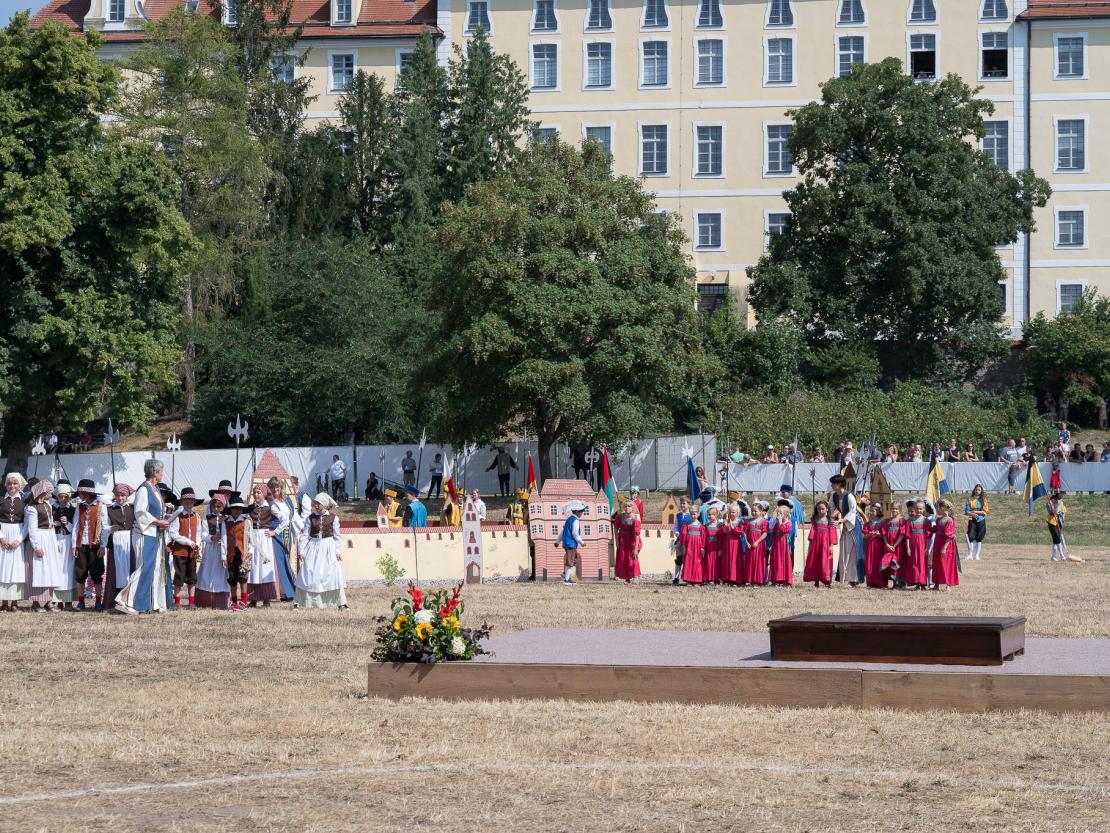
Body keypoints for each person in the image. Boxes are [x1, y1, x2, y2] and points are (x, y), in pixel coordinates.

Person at [115, 461, 174, 614]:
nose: (162, 474)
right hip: (143, 534)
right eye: (161, 471)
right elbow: (140, 512)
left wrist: (164, 518)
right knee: (144, 567)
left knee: (154, 568)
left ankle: (151, 603)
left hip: (154, 534)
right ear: (154, 472)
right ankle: (124, 600)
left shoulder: (156, 489)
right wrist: (158, 522)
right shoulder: (143, 489)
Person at [295, 493, 348, 609]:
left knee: (332, 573)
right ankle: (300, 602)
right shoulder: (310, 518)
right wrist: (301, 551)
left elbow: (337, 537)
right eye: (315, 503)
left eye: (318, 504)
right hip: (313, 547)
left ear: (324, 504)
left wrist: (337, 552)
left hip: (329, 548)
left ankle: (340, 603)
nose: (316, 506)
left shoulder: (333, 518)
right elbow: (305, 535)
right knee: (308, 572)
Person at [25, 480, 63, 612]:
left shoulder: (48, 505)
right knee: (37, 570)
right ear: (43, 492)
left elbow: (50, 524)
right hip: (39, 539)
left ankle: (49, 601)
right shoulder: (32, 508)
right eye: (50, 492)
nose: (51, 494)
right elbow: (32, 529)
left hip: (49, 539)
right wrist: (37, 547)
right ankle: (36, 603)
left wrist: (54, 541)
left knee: (50, 569)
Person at [246, 484, 286, 607]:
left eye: (258, 492)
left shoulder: (270, 507)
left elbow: (285, 519)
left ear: (264, 494)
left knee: (265, 567)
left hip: (265, 539)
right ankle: (253, 599)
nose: (256, 495)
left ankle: (266, 599)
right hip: (253, 538)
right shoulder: (250, 508)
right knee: (253, 567)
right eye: (255, 492)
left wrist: (275, 532)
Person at [71, 479, 107, 611]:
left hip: (95, 545)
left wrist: (103, 546)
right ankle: (81, 602)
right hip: (81, 544)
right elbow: (75, 526)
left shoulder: (100, 506)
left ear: (86, 493)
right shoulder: (79, 507)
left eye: (81, 493)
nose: (79, 495)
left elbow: (105, 527)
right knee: (80, 574)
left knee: (97, 574)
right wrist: (74, 545)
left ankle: (98, 602)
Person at [167, 487, 204, 607]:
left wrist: (197, 544)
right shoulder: (178, 516)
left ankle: (191, 602)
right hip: (180, 551)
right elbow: (173, 533)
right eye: (186, 501)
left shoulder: (196, 516)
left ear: (194, 502)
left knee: (192, 577)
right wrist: (188, 542)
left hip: (192, 552)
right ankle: (177, 602)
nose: (189, 504)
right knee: (179, 576)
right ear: (182, 502)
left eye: (191, 501)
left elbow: (198, 533)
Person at [102, 483, 135, 610]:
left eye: (123, 495)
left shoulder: (132, 508)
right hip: (116, 542)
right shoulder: (109, 509)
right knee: (114, 572)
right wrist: (111, 528)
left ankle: (128, 600)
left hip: (130, 541)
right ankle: (112, 602)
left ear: (127, 496)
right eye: (118, 495)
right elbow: (104, 527)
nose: (120, 498)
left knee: (130, 571)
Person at [194, 493, 230, 609]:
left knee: (221, 573)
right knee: (207, 572)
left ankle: (221, 601)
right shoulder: (207, 518)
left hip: (223, 550)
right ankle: (206, 601)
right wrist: (212, 537)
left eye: (219, 506)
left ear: (224, 506)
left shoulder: (227, 518)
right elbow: (203, 534)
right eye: (214, 506)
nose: (216, 509)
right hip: (210, 550)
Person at [266, 477, 296, 601]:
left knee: (286, 561)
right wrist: (274, 532)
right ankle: (284, 592)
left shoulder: (287, 500)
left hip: (287, 534)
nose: (275, 489)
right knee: (279, 563)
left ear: (281, 487)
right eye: (272, 487)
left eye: (277, 486)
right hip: (276, 535)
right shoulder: (269, 502)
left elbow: (292, 517)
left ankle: (287, 592)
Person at [829, 475, 861, 586]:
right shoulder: (834, 497)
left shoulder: (850, 496)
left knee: (854, 552)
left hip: (854, 525)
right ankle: (845, 577)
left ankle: (855, 579)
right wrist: (830, 519)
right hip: (845, 524)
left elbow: (853, 511)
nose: (832, 486)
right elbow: (831, 510)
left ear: (839, 484)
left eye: (833, 483)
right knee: (844, 551)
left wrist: (841, 520)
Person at [223, 494, 252, 610]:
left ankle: (244, 601)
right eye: (235, 508)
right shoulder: (226, 522)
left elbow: (251, 539)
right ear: (231, 509)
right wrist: (223, 556)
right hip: (230, 553)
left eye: (239, 509)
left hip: (242, 553)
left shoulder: (246, 522)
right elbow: (224, 539)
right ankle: (234, 601)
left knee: (243, 576)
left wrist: (250, 552)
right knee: (232, 578)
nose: (237, 511)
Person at [52, 482, 77, 610]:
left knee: (68, 571)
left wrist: (67, 524)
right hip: (55, 540)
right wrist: (53, 525)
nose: (63, 499)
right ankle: (56, 601)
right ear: (57, 496)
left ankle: (68, 601)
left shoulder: (73, 509)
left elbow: (75, 529)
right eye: (61, 496)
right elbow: (45, 525)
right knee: (56, 569)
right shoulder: (52, 508)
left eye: (65, 497)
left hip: (67, 541)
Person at [803, 500, 836, 588]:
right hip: (816, 544)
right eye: (819, 509)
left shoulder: (830, 520)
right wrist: (810, 544)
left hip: (826, 544)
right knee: (816, 561)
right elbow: (812, 531)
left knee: (825, 562)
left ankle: (827, 581)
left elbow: (832, 533)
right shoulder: (815, 519)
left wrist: (831, 545)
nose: (820, 511)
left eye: (822, 509)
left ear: (827, 509)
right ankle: (816, 580)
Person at [902, 500, 930, 590]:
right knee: (914, 563)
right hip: (913, 544)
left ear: (924, 509)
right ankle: (916, 582)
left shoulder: (926, 521)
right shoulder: (910, 521)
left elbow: (928, 536)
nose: (919, 510)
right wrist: (908, 548)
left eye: (921, 509)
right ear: (914, 508)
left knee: (922, 563)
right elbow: (907, 535)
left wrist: (927, 548)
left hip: (922, 544)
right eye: (917, 508)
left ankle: (922, 583)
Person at [931, 499, 959, 591]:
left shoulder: (949, 520)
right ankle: (936, 584)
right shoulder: (938, 519)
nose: (936, 510)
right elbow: (935, 529)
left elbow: (949, 536)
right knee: (937, 563)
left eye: (937, 508)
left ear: (942, 508)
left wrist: (944, 547)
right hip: (938, 543)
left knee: (946, 564)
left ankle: (948, 585)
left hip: (946, 545)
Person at [612, 499, 642, 583]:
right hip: (622, 539)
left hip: (632, 540)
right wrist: (617, 541)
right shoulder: (619, 517)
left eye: (629, 506)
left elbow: (636, 535)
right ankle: (627, 577)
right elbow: (616, 528)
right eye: (625, 506)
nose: (627, 508)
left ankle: (635, 576)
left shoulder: (635, 519)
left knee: (632, 558)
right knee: (623, 558)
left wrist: (635, 548)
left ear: (632, 508)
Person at [739, 501, 768, 586]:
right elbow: (745, 532)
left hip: (759, 546)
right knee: (750, 561)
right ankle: (750, 579)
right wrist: (747, 542)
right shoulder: (748, 521)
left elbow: (765, 533)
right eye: (752, 511)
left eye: (756, 511)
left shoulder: (764, 522)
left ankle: (758, 580)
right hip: (750, 545)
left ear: (761, 511)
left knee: (758, 562)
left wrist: (757, 542)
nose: (754, 513)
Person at [779, 484, 805, 571]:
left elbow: (797, 515)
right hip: (790, 525)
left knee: (789, 546)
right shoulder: (792, 501)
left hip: (790, 525)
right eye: (782, 492)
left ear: (790, 492)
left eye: (784, 492)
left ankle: (789, 568)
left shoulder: (791, 502)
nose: (783, 494)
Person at [863, 503, 889, 589]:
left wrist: (879, 535)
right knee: (870, 563)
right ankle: (871, 582)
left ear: (878, 512)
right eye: (870, 511)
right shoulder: (868, 523)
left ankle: (880, 582)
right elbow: (864, 536)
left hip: (879, 546)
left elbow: (884, 536)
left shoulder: (883, 523)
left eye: (873, 511)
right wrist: (870, 534)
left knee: (878, 563)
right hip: (870, 546)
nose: (870, 512)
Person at [768, 503, 793, 586]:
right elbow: (773, 534)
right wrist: (771, 544)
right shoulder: (776, 523)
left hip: (784, 546)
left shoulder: (789, 523)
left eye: (780, 513)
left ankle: (784, 579)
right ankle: (776, 579)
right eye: (778, 513)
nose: (778, 515)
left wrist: (780, 522)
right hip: (776, 544)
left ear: (786, 514)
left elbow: (783, 530)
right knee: (776, 560)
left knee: (783, 560)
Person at [679, 512, 706, 585]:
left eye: (694, 514)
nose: (693, 516)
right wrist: (684, 546)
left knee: (697, 562)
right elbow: (683, 536)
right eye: (691, 514)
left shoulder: (701, 526)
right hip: (689, 546)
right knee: (689, 562)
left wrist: (702, 547)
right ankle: (689, 579)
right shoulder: (687, 525)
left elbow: (703, 538)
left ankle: (697, 580)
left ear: (698, 514)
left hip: (697, 547)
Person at [719, 504, 744, 585]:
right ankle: (726, 578)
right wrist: (724, 527)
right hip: (726, 543)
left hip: (735, 543)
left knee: (734, 560)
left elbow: (740, 532)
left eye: (733, 512)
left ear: (737, 513)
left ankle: (734, 578)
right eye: (730, 512)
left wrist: (733, 527)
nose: (731, 514)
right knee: (726, 559)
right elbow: (721, 533)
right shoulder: (726, 521)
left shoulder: (739, 522)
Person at [670, 496, 692, 586]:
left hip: (688, 540)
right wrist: (676, 532)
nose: (682, 505)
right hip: (680, 539)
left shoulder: (691, 515)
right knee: (678, 559)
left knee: (687, 558)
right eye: (681, 503)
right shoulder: (678, 515)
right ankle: (676, 578)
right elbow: (675, 525)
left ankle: (688, 577)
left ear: (689, 504)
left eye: (684, 503)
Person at [560, 505, 584, 584]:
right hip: (571, 543)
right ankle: (566, 580)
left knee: (574, 558)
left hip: (567, 542)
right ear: (577, 511)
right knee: (570, 561)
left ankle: (565, 573)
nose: (582, 513)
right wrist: (581, 542)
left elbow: (563, 531)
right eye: (581, 511)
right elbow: (575, 533)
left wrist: (558, 541)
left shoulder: (569, 519)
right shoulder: (575, 520)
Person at [964, 484, 988, 561]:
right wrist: (973, 514)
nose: (977, 491)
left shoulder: (984, 500)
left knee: (979, 538)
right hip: (972, 520)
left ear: (981, 491)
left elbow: (985, 511)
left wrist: (976, 512)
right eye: (976, 489)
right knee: (970, 537)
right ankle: (970, 554)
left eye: (979, 490)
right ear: (974, 490)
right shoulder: (970, 499)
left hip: (981, 520)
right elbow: (966, 511)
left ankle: (977, 555)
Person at [703, 505, 722, 584]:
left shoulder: (720, 525)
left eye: (712, 514)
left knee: (716, 562)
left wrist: (720, 549)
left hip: (716, 547)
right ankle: (709, 578)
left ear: (716, 515)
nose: (710, 516)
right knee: (708, 562)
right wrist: (703, 548)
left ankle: (716, 578)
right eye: (709, 514)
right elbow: (704, 537)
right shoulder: (706, 526)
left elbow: (721, 538)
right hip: (708, 546)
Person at [1047, 492, 1067, 561]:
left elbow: (1064, 511)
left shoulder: (1061, 503)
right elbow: (1053, 512)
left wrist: (1062, 518)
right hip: (1052, 523)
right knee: (1057, 539)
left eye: (1060, 499)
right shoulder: (1049, 504)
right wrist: (1055, 506)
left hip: (1058, 522)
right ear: (1055, 499)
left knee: (1055, 540)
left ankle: (1053, 556)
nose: (1059, 501)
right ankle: (1062, 556)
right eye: (1058, 499)